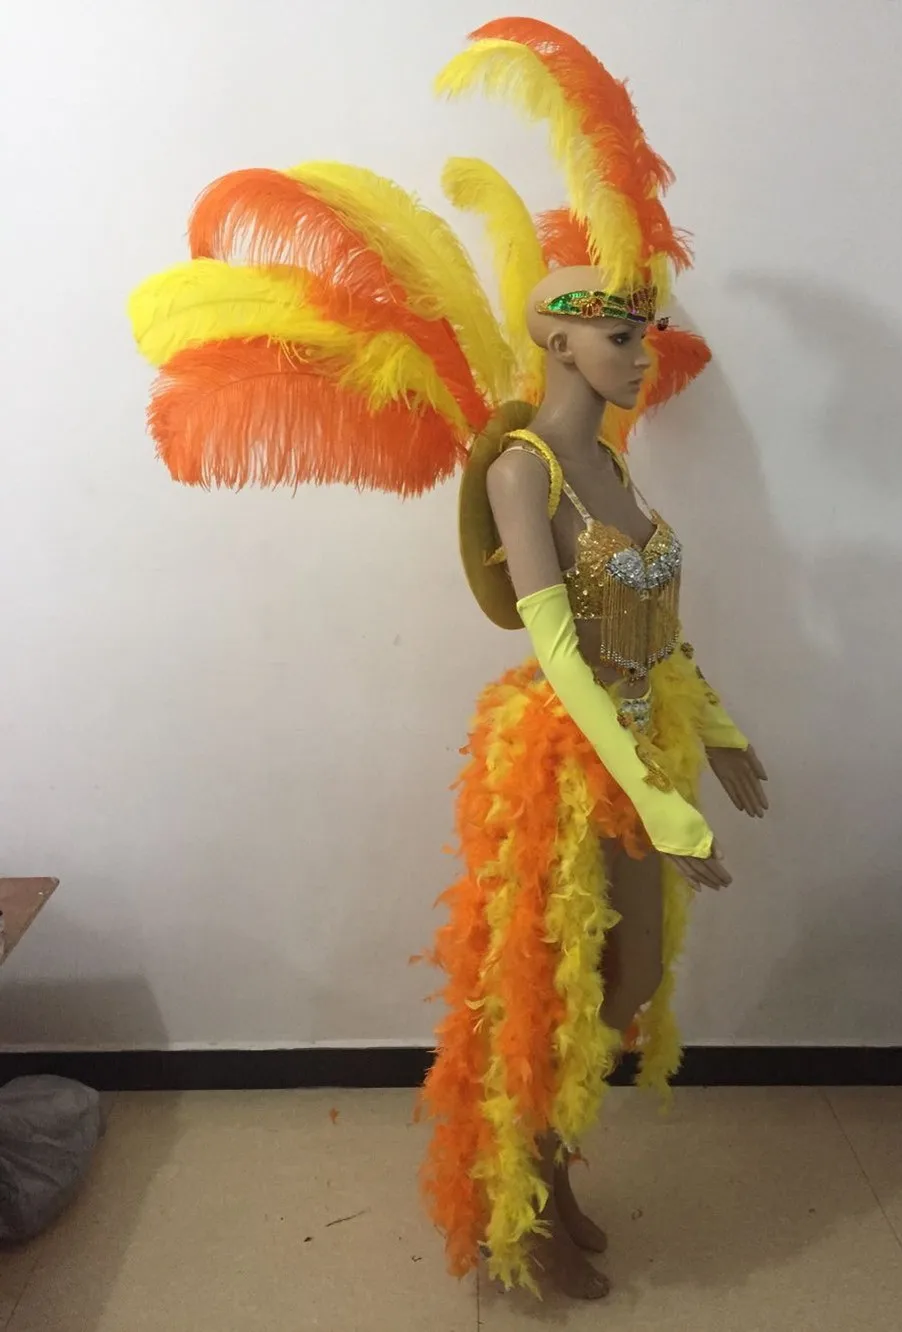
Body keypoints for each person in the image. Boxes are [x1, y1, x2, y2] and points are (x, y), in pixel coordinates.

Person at [128, 14, 768, 1302]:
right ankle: (523, 1203)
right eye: (621, 336)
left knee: (630, 978)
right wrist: (655, 802)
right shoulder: (529, 475)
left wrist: (720, 734)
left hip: (647, 737)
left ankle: (556, 1171)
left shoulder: (616, 470)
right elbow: (563, 649)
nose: (643, 354)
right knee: (557, 991)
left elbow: (659, 625)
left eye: (643, 333)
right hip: (570, 756)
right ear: (562, 341)